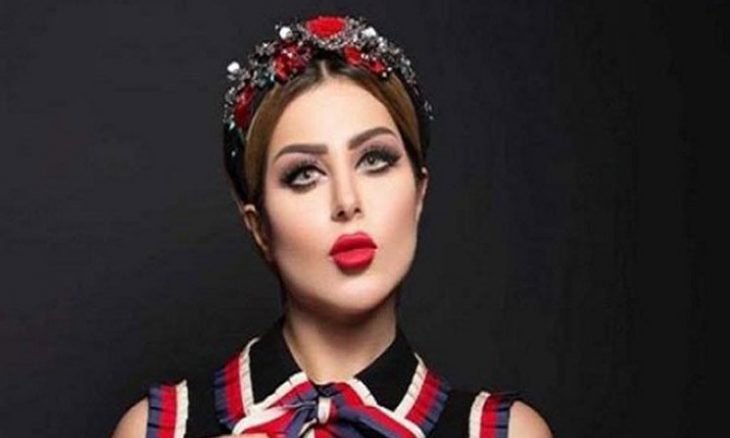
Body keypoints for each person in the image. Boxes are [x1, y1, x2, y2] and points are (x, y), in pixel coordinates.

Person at [112, 14, 552, 438]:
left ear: (419, 192)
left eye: (375, 160)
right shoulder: (161, 429)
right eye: (304, 174)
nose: (346, 201)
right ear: (259, 226)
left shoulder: (504, 433)